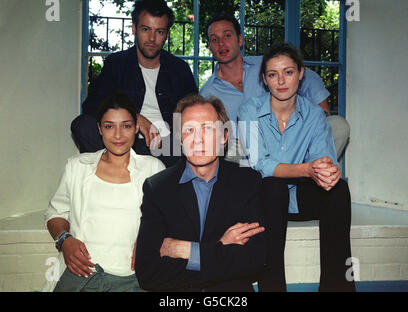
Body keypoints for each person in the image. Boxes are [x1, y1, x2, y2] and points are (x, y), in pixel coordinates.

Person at [238, 43, 356, 292]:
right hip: (265, 202)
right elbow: (260, 164)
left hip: (301, 197)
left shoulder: (314, 115)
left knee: (339, 190)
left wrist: (326, 171)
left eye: (288, 72)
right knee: (272, 185)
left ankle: (337, 288)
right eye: (273, 74)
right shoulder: (249, 110)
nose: (281, 81)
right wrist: (306, 169)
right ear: (264, 79)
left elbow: (322, 158)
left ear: (301, 74)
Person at [135, 94, 278, 291]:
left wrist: (186, 250)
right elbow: (148, 273)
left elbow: (253, 260)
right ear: (179, 138)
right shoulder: (158, 188)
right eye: (189, 130)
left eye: (208, 129)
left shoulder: (246, 182)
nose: (198, 140)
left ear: (224, 136)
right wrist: (220, 247)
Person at [42, 93, 165, 292]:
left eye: (126, 126)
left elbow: (168, 220)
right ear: (99, 128)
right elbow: (55, 213)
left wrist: (148, 239)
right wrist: (65, 240)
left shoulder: (153, 169)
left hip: (135, 279)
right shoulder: (78, 166)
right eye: (109, 126)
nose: (118, 135)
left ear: (136, 129)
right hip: (82, 275)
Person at [200, 13, 349, 162]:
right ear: (210, 47)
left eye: (227, 36)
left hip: (290, 140)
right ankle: (281, 175)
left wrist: (320, 111)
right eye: (214, 39)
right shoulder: (207, 93)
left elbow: (307, 77)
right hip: (247, 150)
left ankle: (307, 176)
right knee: (226, 150)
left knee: (337, 126)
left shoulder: (266, 64)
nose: (221, 43)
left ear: (239, 40)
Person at [71, 0, 198, 167]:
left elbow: (195, 113)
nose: (152, 38)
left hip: (168, 147)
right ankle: (112, 172)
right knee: (82, 125)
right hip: (125, 142)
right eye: (146, 29)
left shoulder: (179, 69)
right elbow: (92, 106)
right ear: (134, 28)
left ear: (166, 34)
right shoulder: (116, 64)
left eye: (159, 31)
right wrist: (134, 117)